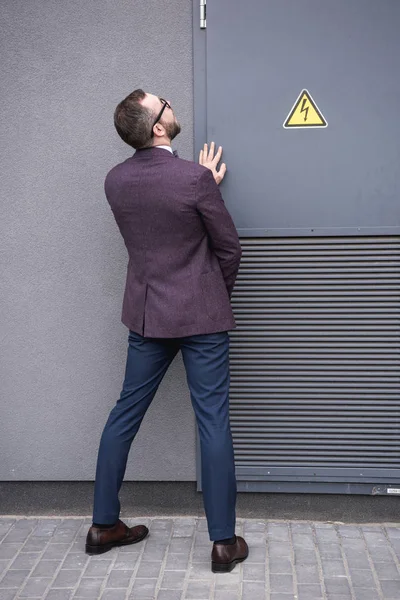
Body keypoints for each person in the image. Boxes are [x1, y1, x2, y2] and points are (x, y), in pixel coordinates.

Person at [85, 89, 248, 572]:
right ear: (158, 127)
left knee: (124, 413)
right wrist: (206, 186)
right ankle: (222, 543)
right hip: (201, 315)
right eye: (166, 105)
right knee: (213, 420)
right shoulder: (194, 179)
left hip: (148, 315)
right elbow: (230, 249)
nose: (171, 108)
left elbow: (156, 227)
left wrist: (200, 186)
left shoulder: (115, 181)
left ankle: (102, 524)